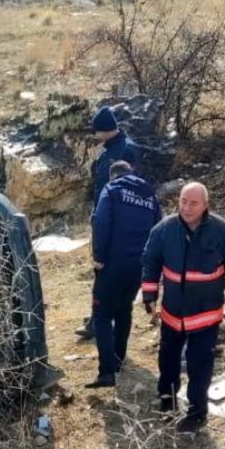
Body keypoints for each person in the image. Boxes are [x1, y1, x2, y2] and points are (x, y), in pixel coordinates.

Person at [141, 182, 225, 432]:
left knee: (200, 365)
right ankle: (167, 401)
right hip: (172, 313)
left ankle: (197, 413)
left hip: (205, 315)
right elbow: (150, 260)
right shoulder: (164, 229)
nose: (186, 208)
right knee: (167, 359)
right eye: (183, 201)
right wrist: (149, 293)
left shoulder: (223, 232)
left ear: (205, 205)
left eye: (193, 203)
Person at [85, 161, 162, 389]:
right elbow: (158, 230)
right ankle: (118, 360)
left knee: (101, 314)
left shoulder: (112, 190)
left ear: (113, 176)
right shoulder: (150, 197)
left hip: (112, 264)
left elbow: (102, 222)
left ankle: (107, 371)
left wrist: (98, 257)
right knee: (124, 309)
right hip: (139, 266)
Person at [76, 106, 143, 340]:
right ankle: (97, 316)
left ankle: (99, 321)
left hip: (117, 221)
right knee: (100, 268)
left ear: (103, 129)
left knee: (105, 269)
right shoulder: (108, 149)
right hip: (104, 214)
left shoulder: (126, 150)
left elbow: (133, 188)